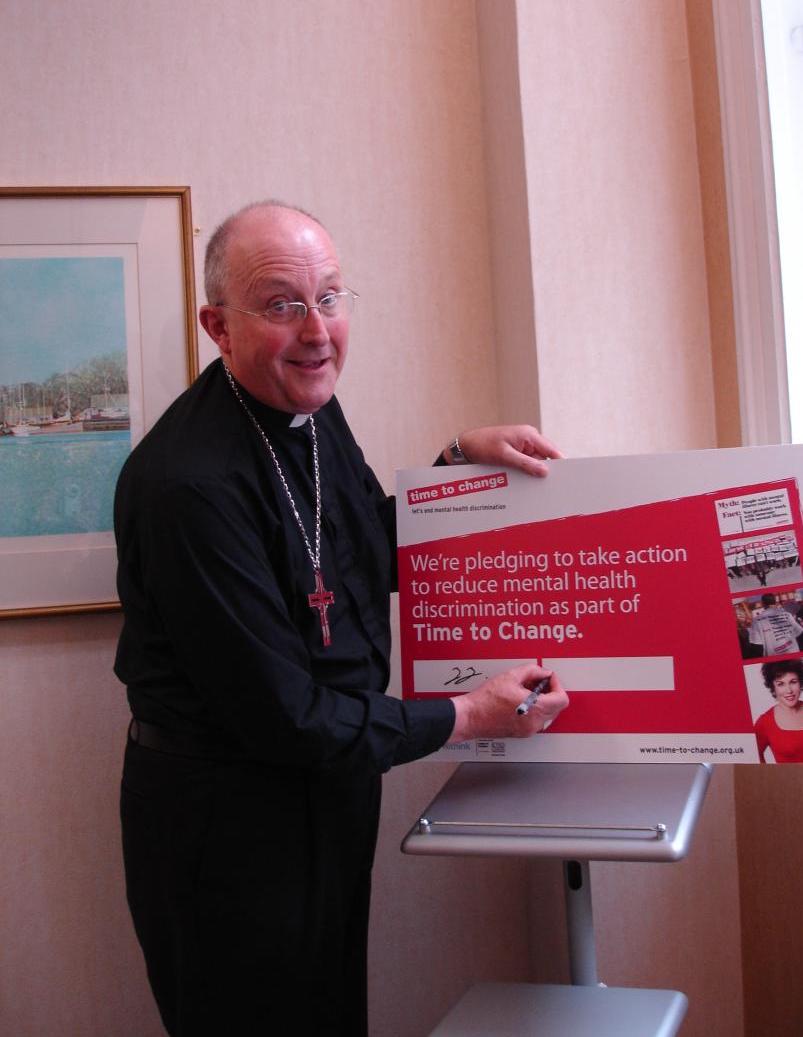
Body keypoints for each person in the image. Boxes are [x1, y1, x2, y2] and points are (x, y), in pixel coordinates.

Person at [113, 201, 569, 1037]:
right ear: (218, 326)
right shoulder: (188, 487)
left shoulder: (310, 406)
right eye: (282, 304)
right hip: (228, 825)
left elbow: (353, 553)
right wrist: (468, 717)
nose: (316, 331)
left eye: (329, 297)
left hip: (327, 790)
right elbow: (285, 715)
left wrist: (456, 465)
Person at [754, 659, 803, 763]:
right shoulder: (764, 722)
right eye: (781, 684)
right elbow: (754, 755)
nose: (789, 690)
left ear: (800, 683)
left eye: (793, 682)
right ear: (773, 687)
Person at [747, 592, 803, 657]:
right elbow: (799, 634)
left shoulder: (756, 621)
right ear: (775, 602)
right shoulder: (787, 614)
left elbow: (757, 645)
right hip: (794, 654)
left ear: (763, 603)